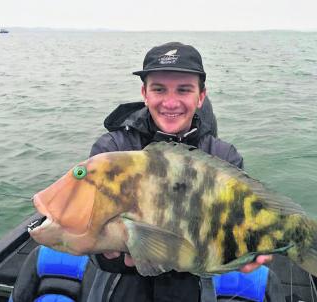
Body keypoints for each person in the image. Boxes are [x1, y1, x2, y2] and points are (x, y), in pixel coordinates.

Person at [87, 42, 274, 302]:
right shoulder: (113, 150)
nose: (170, 102)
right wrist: (112, 255)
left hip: (191, 285)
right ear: (145, 93)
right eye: (159, 89)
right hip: (122, 285)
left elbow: (233, 229)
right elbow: (91, 229)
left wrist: (242, 254)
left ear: (200, 96)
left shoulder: (223, 157)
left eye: (184, 90)